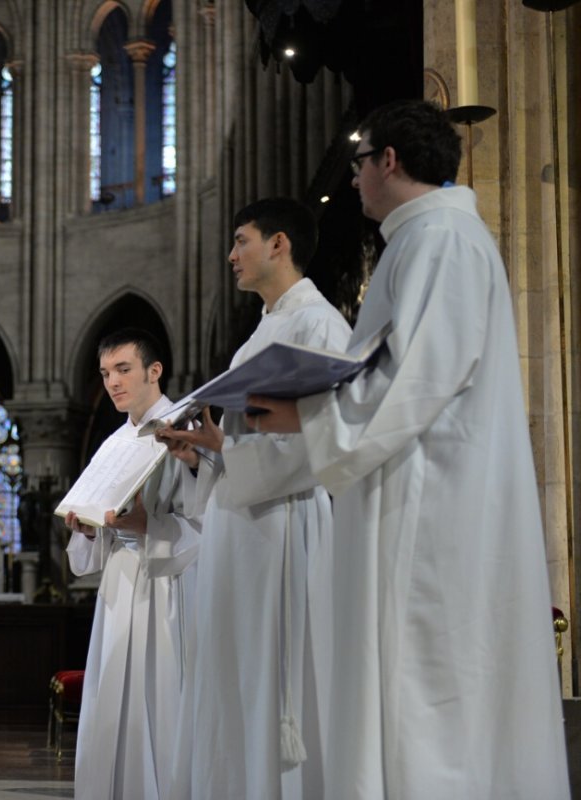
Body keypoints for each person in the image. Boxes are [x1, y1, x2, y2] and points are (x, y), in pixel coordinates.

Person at [248, 99, 569, 797]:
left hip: (431, 509)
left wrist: (307, 414)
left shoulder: (442, 240)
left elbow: (420, 376)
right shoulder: (422, 240)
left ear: (388, 161)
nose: (356, 180)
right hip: (413, 490)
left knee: (424, 698)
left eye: (359, 165)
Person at [157, 198, 350, 799]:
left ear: (279, 244)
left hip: (283, 525)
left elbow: (322, 441)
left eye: (241, 240)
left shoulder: (319, 324)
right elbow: (245, 441)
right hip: (240, 525)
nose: (232, 254)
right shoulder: (261, 333)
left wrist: (228, 452)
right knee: (232, 678)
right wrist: (207, 453)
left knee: (273, 680)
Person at [63, 328, 200, 800]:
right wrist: (87, 529)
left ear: (153, 370)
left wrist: (150, 527)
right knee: (110, 711)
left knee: (159, 705)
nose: (113, 382)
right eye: (105, 373)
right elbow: (90, 549)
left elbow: (209, 526)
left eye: (123, 369)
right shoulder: (114, 443)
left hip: (168, 590)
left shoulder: (186, 430)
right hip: (120, 585)